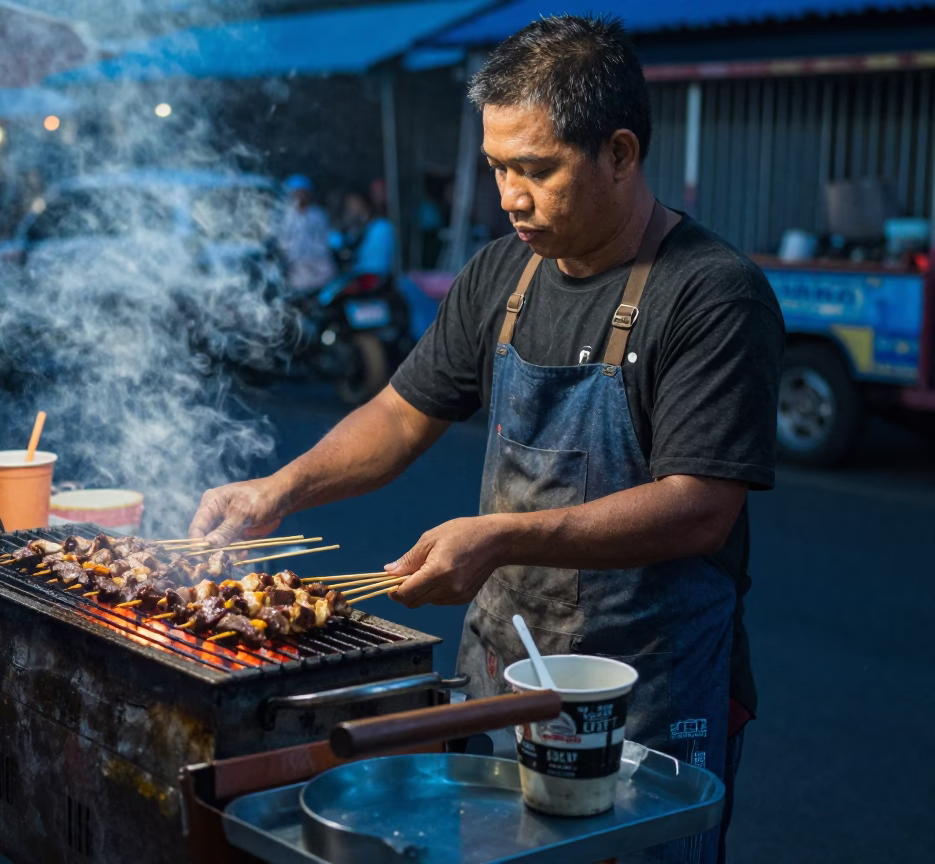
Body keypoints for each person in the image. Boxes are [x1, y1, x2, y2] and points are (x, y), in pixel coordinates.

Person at [190, 15, 783, 863]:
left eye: (535, 169)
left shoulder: (711, 295)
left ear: (619, 153)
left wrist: (501, 535)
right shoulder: (501, 274)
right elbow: (400, 414)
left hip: (644, 692)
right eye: (500, 167)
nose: (508, 196)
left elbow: (699, 510)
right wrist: (279, 488)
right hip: (497, 677)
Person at [277, 174, 337, 294]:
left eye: (302, 192)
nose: (299, 196)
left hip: (321, 268)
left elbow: (327, 240)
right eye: (296, 192)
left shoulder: (319, 215)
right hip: (298, 271)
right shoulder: (285, 217)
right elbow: (283, 244)